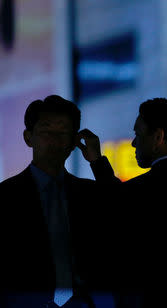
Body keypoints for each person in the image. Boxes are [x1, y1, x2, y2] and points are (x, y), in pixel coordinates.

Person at [77, 98, 167, 306]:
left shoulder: (141, 191)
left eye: (138, 134)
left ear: (158, 137)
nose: (133, 143)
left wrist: (97, 162)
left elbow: (117, 204)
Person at [0, 95, 99, 308]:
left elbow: (125, 214)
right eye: (45, 131)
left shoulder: (90, 194)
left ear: (74, 142)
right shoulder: (5, 197)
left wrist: (98, 163)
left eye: (63, 132)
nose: (54, 140)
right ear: (28, 138)